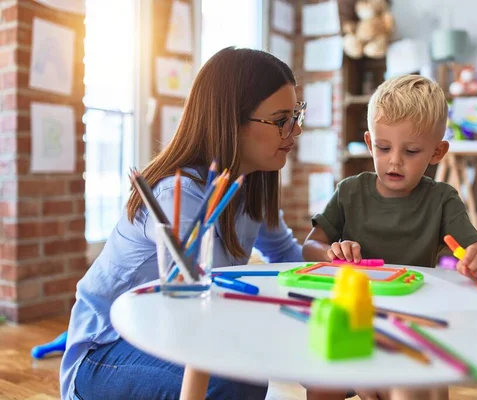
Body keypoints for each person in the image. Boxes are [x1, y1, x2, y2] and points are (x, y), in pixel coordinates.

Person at [60, 47, 306, 400]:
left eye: (297, 114)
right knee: (235, 380)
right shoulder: (180, 192)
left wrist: (330, 274)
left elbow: (286, 256)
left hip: (171, 334)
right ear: (231, 121)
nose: (295, 130)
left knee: (248, 373)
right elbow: (204, 299)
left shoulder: (252, 184)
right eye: (281, 119)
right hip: (106, 350)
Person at [302, 75, 477, 400]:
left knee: (412, 386)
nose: (395, 160)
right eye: (384, 148)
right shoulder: (350, 191)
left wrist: (475, 255)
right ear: (370, 143)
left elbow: (473, 247)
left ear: (437, 152)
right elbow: (309, 247)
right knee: (320, 383)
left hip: (412, 320)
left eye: (412, 151)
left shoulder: (443, 199)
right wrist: (331, 252)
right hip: (352, 317)